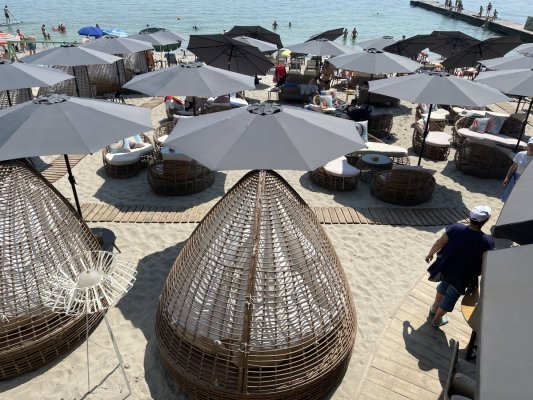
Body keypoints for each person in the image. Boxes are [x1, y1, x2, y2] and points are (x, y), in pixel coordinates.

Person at [425, 205, 495, 328]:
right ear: (486, 221)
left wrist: (430, 254)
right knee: (451, 296)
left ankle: (434, 309)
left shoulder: (455, 228)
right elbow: (485, 262)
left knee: (443, 286)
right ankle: (436, 320)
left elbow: (439, 243)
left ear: (470, 217)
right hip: (463, 275)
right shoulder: (487, 241)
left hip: (447, 267)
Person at [502, 137, 533, 202]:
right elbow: (513, 166)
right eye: (530, 145)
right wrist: (507, 178)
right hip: (515, 178)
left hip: (527, 181)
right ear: (527, 145)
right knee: (508, 198)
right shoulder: (521, 154)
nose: (532, 148)